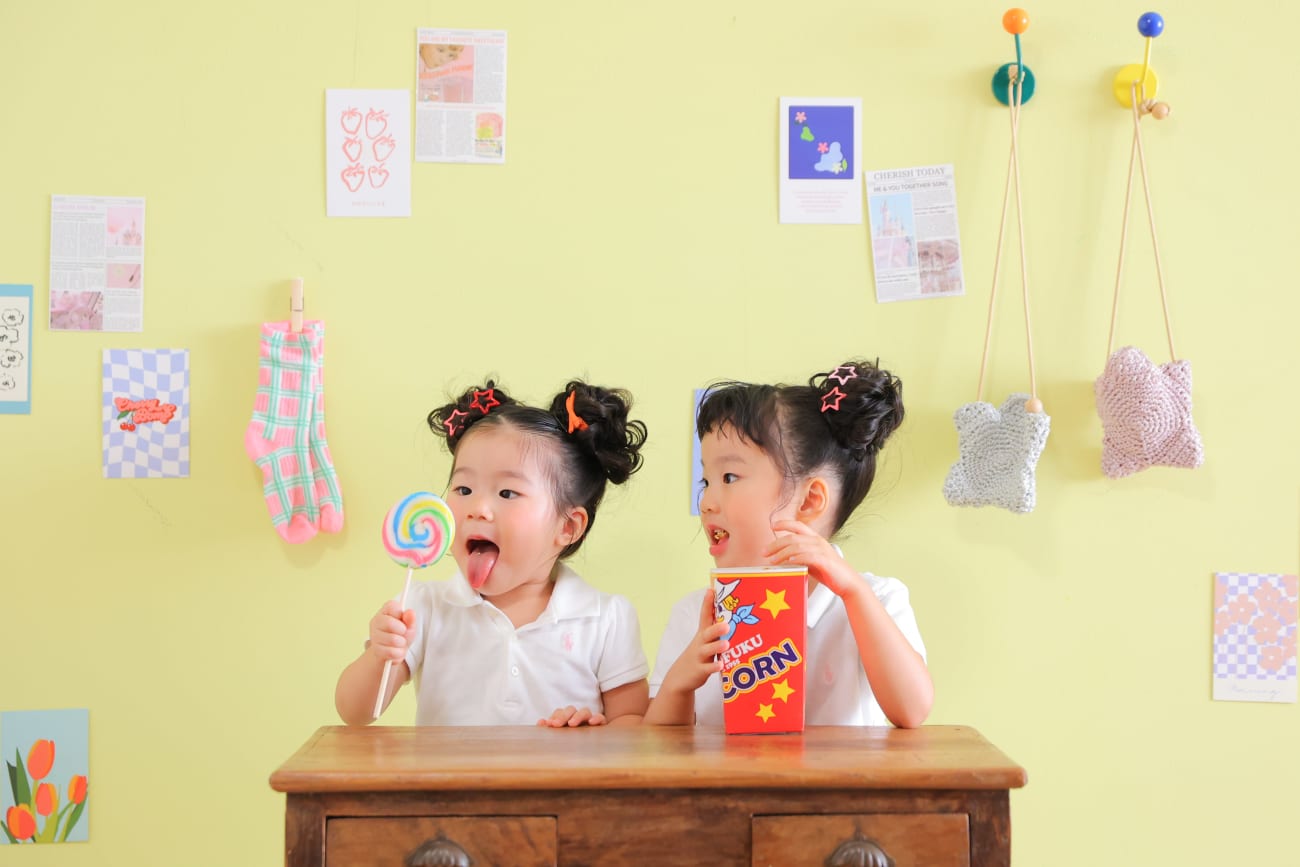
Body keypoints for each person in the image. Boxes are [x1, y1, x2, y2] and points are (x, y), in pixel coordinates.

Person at [335, 378, 651, 727]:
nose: (477, 509)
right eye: (464, 489)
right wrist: (380, 655)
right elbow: (355, 713)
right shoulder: (423, 608)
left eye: (507, 493)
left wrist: (594, 730)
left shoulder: (605, 619)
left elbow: (633, 723)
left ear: (567, 527)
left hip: (562, 767)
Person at [645, 360, 933, 728]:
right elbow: (657, 747)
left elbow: (912, 712)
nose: (707, 502)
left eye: (729, 477)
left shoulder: (876, 600)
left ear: (810, 501)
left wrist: (854, 593)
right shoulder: (694, 617)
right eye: (706, 482)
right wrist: (678, 685)